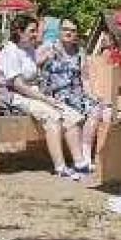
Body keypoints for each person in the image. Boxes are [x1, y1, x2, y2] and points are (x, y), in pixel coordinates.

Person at [0, 15, 90, 179]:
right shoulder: (10, 51)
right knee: (52, 115)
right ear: (19, 32)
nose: (36, 34)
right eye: (32, 31)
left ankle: (80, 162)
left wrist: (47, 95)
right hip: (12, 95)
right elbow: (18, 85)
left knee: (71, 115)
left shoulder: (29, 49)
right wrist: (45, 99)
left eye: (36, 31)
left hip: (31, 92)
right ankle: (60, 167)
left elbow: (36, 76)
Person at [34, 18, 110, 185]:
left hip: (76, 93)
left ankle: (85, 155)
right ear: (59, 30)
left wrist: (92, 95)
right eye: (65, 29)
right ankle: (80, 159)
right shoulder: (48, 47)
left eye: (73, 30)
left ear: (76, 34)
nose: (68, 33)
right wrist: (43, 60)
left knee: (96, 108)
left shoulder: (79, 51)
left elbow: (84, 78)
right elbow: (33, 68)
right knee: (79, 112)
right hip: (55, 94)